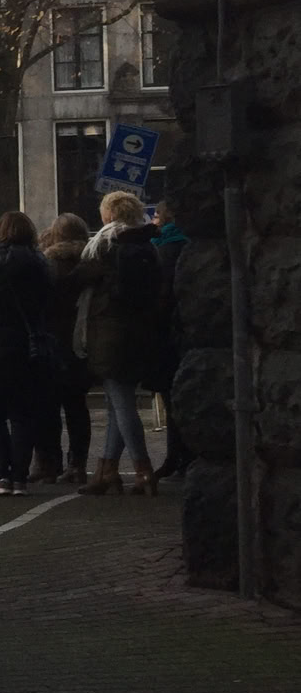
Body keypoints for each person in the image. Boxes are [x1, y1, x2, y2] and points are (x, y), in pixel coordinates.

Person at [77, 191, 169, 496]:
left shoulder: (104, 245)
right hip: (140, 333)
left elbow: (78, 278)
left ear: (108, 214)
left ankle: (143, 470)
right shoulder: (148, 246)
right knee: (117, 404)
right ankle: (107, 471)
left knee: (122, 405)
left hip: (108, 334)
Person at [0, 211, 55, 495]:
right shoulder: (40, 265)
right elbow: (47, 302)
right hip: (28, 343)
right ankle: (19, 478)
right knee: (22, 413)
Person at [35, 213, 94, 483]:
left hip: (51, 341)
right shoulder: (90, 264)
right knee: (77, 407)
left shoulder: (47, 265)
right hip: (80, 342)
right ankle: (77, 463)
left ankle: (49, 463)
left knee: (48, 407)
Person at [151, 199, 192, 481]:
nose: (153, 219)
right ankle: (179, 456)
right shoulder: (189, 245)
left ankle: (178, 456)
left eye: (156, 215)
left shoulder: (165, 249)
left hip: (169, 332)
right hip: (188, 330)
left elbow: (161, 294)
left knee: (173, 398)